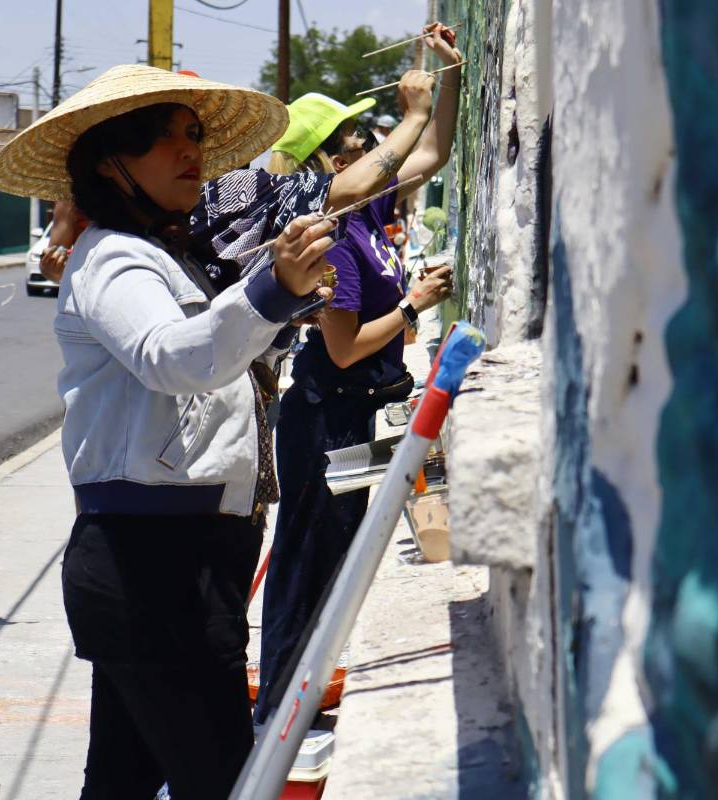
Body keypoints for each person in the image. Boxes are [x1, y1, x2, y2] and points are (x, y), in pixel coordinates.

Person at [0, 61, 444, 799]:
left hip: (181, 561)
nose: (191, 153)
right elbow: (175, 358)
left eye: (196, 136)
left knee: (124, 781)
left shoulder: (167, 257)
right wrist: (272, 289)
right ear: (112, 162)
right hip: (154, 569)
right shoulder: (114, 259)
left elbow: (214, 353)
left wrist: (274, 298)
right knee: (224, 781)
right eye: (166, 139)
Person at [254, 22, 462, 726]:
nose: (365, 145)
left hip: (354, 407)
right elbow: (343, 348)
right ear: (325, 161)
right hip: (328, 411)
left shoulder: (364, 213)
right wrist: (413, 304)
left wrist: (449, 72)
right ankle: (282, 710)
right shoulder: (332, 240)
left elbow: (430, 150)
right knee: (308, 562)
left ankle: (295, 701)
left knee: (335, 561)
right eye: (350, 141)